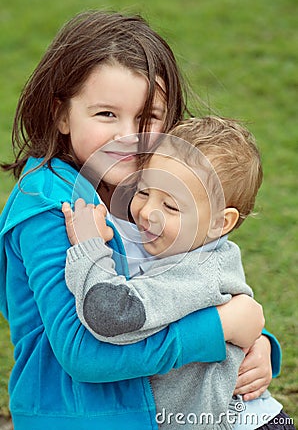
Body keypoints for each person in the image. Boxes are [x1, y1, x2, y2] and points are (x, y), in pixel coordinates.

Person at [0, 10, 278, 430]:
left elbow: (190, 284)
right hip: (83, 418)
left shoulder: (151, 192)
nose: (128, 137)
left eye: (147, 118)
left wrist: (255, 347)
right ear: (61, 115)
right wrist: (220, 328)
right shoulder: (50, 206)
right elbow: (83, 354)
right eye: (106, 115)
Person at [62, 117, 295, 429]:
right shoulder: (174, 244)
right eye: (143, 192)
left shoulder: (199, 272)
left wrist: (90, 247)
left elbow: (113, 315)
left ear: (219, 223)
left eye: (170, 206)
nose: (146, 212)